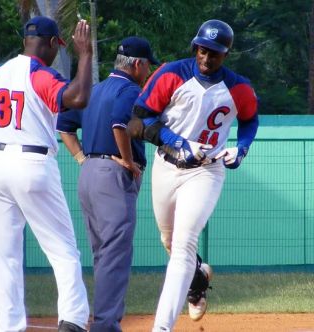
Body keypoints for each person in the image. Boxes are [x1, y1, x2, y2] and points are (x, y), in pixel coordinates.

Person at [0, 16, 93, 332]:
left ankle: (8, 326)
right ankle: (72, 320)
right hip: (32, 165)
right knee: (63, 250)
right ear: (54, 43)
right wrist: (85, 54)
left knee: (4, 259)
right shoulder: (39, 74)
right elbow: (79, 98)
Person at [128, 19, 259, 331]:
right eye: (202, 48)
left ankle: (162, 326)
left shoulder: (238, 87)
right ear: (195, 46)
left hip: (206, 171)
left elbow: (250, 120)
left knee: (184, 243)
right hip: (167, 164)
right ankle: (197, 278)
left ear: (225, 54)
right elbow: (137, 122)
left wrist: (241, 149)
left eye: (214, 52)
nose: (206, 56)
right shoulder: (173, 73)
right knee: (169, 240)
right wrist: (177, 142)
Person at [57, 36, 159, 332]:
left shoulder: (96, 89)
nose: (149, 71)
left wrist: (81, 159)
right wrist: (127, 160)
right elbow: (119, 123)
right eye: (148, 65)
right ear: (137, 64)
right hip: (113, 176)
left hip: (89, 173)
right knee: (115, 254)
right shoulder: (130, 90)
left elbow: (64, 126)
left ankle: (96, 321)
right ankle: (105, 326)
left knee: (103, 253)